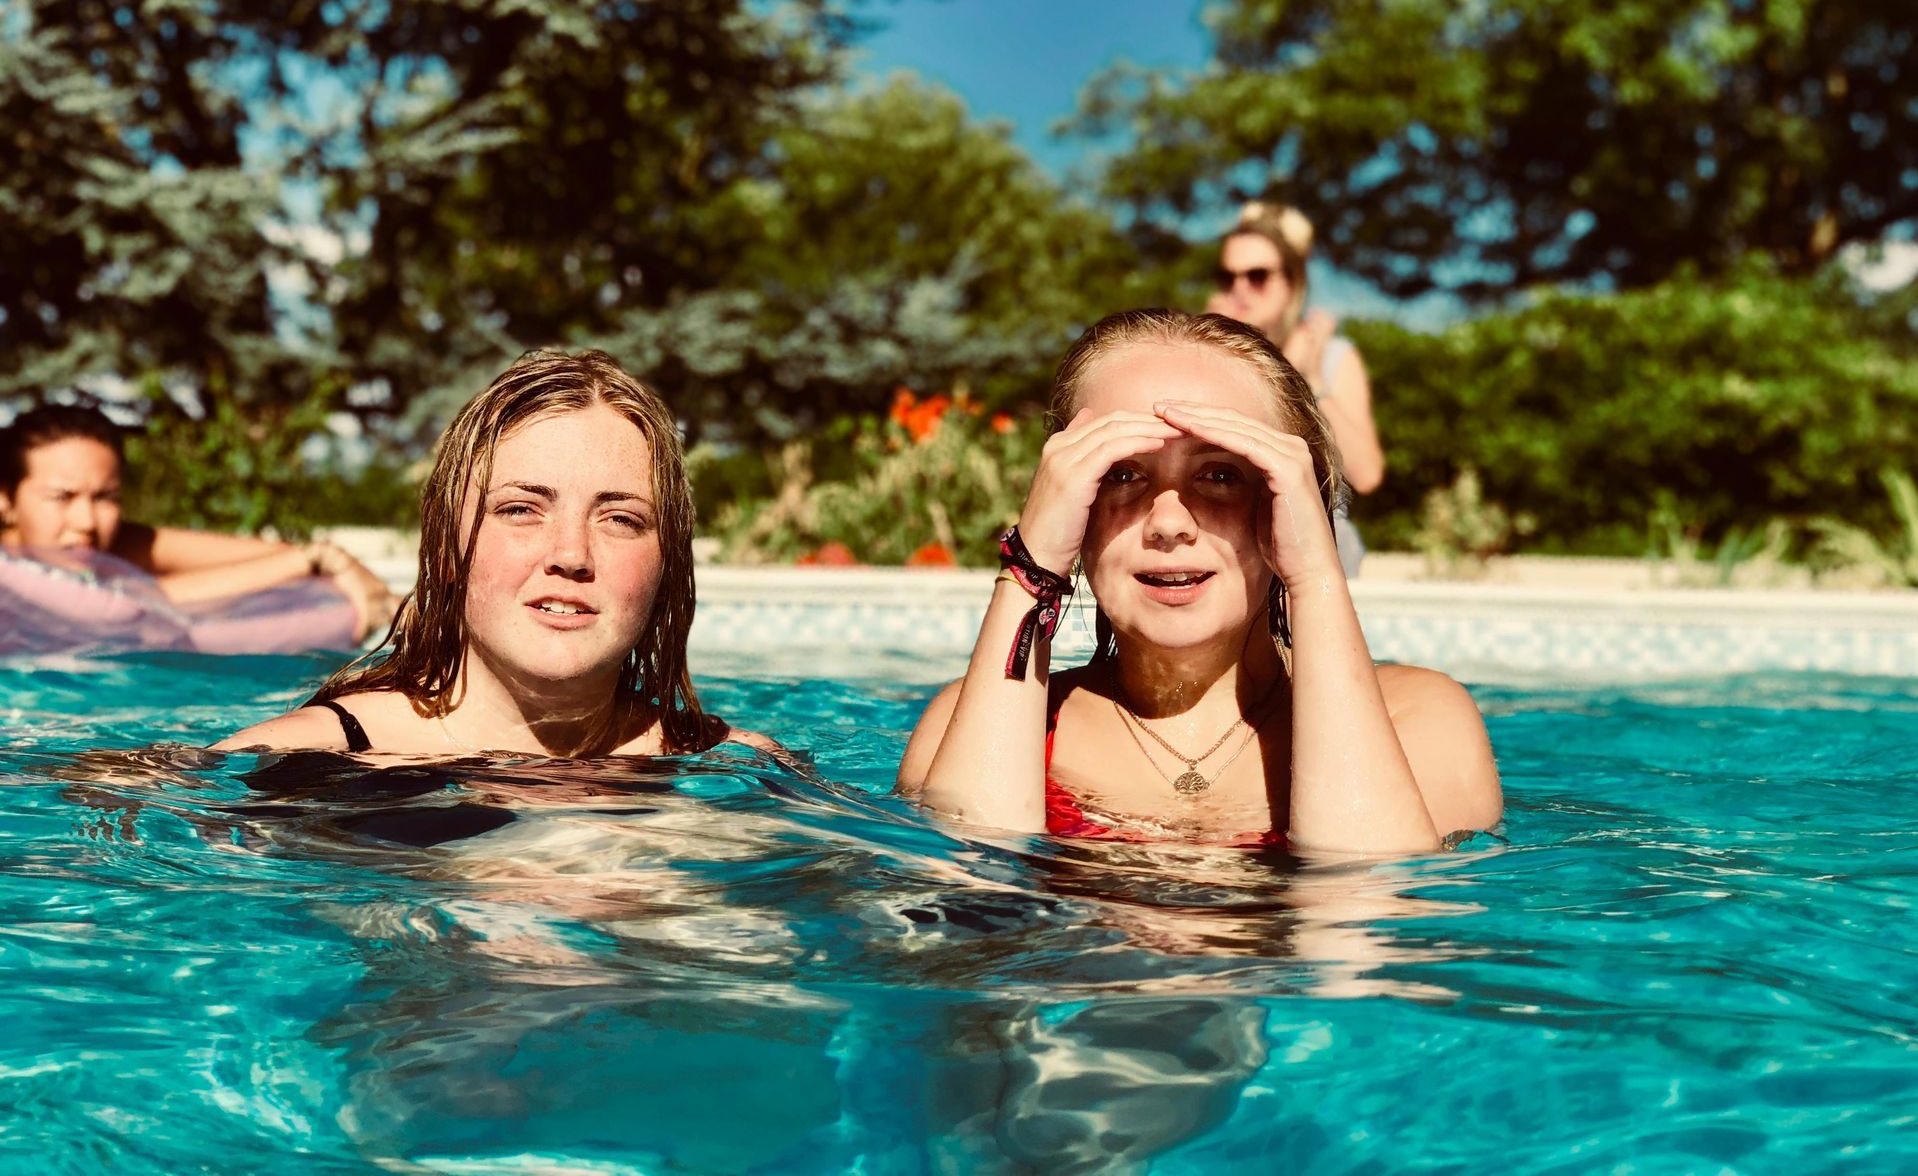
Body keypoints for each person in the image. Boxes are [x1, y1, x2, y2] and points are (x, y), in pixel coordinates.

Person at [897, 310, 1500, 853]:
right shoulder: (977, 718)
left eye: (1220, 473)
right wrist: (1033, 566)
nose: (1166, 523)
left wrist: (1316, 575)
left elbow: (1366, 924)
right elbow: (966, 919)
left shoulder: (1421, 721)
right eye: (1120, 472)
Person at [215, 349, 767, 759]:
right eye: (521, 509)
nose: (571, 553)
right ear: (449, 548)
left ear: (667, 566)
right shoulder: (302, 760)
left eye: (621, 519)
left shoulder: (736, 771)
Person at [0, 403, 396, 641]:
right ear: (6, 500)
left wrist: (327, 562)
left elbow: (276, 556)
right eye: (61, 497)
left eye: (106, 497)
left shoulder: (112, 546)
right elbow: (135, 604)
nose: (86, 520)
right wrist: (320, 559)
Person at [1205, 200, 1383, 574]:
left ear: (1292, 282)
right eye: (1227, 276)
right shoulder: (1205, 355)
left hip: (1316, 554)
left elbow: (1366, 474)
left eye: (1257, 275)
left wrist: (1310, 381)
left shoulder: (1332, 356)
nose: (1240, 289)